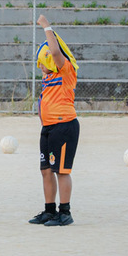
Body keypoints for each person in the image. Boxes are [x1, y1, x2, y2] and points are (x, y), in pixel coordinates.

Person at [28, 15, 80, 227]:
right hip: (48, 128)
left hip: (64, 126)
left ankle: (64, 213)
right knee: (46, 170)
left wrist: (46, 26)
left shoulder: (66, 70)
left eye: (44, 62)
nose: (41, 66)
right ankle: (49, 210)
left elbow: (56, 52)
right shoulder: (47, 77)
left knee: (61, 170)